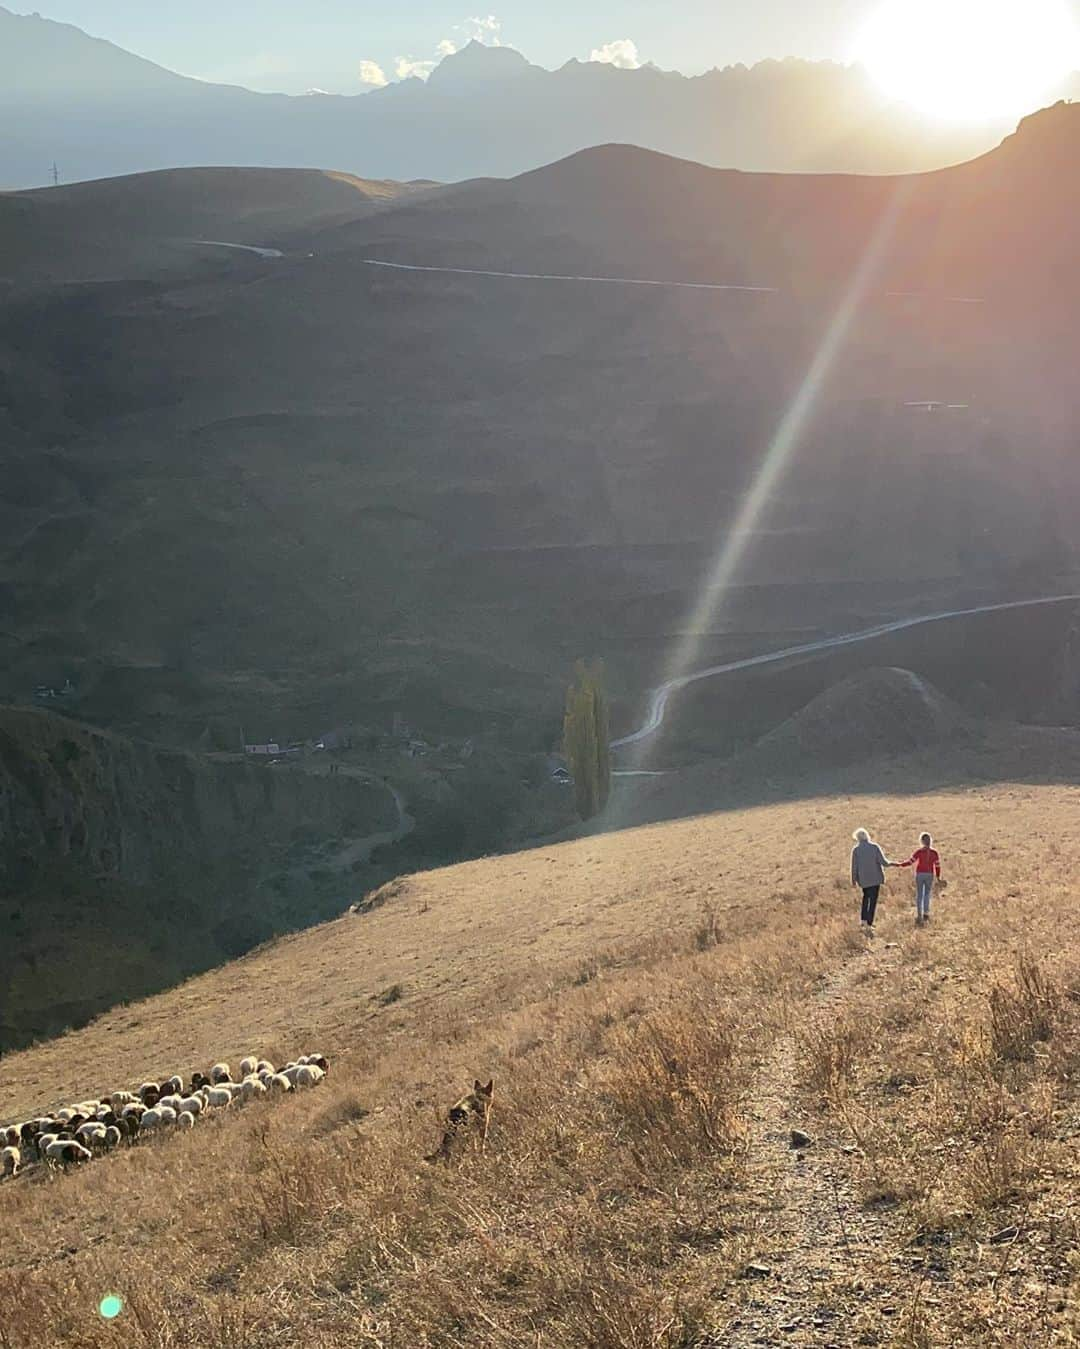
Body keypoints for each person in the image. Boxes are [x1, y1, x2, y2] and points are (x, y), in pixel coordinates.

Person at [850, 827, 896, 932]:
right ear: (866, 836)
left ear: (857, 838)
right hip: (875, 878)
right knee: (873, 900)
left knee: (866, 898)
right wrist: (893, 863)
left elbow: (854, 867)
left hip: (864, 880)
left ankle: (863, 920)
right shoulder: (874, 847)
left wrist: (853, 880)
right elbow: (883, 862)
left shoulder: (856, 850)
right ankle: (869, 923)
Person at [899, 832, 942, 925]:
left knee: (919, 895)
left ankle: (919, 914)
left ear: (922, 841)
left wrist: (900, 864)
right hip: (929, 874)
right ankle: (926, 913)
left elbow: (910, 862)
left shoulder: (919, 852)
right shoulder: (934, 853)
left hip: (920, 874)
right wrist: (938, 876)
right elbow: (937, 866)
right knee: (927, 894)